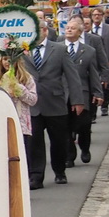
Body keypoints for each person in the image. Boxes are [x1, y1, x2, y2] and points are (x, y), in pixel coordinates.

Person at [27, 33, 75, 185]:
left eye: (40, 28)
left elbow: (72, 76)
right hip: (33, 103)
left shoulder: (59, 49)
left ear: (45, 31)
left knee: (59, 140)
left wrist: (77, 100)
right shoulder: (22, 50)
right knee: (34, 142)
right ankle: (36, 176)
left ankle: (60, 171)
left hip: (55, 102)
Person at [61, 18, 106, 166]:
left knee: (84, 125)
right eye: (67, 27)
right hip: (62, 94)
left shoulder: (88, 51)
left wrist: (98, 93)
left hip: (83, 93)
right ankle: (69, 155)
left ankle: (85, 148)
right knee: (65, 126)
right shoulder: (58, 48)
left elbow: (93, 73)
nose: (68, 30)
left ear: (80, 32)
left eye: (72, 28)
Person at [0, 52, 40, 187]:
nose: (7, 63)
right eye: (5, 59)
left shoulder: (26, 78)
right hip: (2, 123)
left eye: (10, 60)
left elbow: (33, 100)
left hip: (21, 123)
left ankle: (22, 183)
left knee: (21, 155)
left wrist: (18, 88)